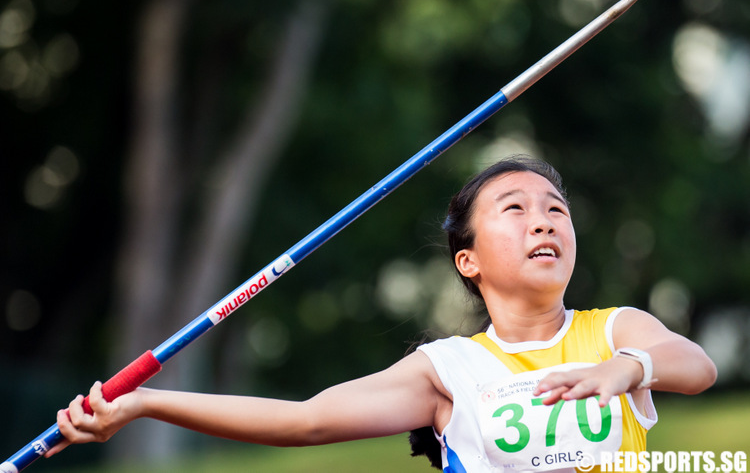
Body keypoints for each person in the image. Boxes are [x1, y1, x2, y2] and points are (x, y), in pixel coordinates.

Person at [47, 156, 717, 472]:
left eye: (556, 209)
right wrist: (144, 404)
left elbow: (696, 366)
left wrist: (627, 369)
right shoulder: (446, 370)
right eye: (515, 209)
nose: (543, 220)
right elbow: (303, 421)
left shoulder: (615, 331)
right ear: (468, 261)